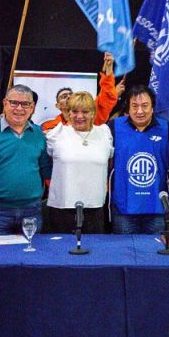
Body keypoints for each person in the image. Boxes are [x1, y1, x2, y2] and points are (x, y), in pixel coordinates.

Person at [0, 85, 52, 237]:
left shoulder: (39, 135)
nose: (19, 108)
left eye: (25, 104)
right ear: (5, 103)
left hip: (32, 212)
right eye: (14, 103)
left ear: (32, 107)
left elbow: (48, 171)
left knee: (32, 252)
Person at [107, 85, 169, 234]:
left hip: (157, 207)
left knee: (156, 248)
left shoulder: (166, 128)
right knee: (124, 248)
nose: (140, 111)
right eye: (134, 106)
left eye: (145, 105)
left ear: (153, 107)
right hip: (124, 209)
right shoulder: (114, 127)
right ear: (128, 108)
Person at [46, 91, 114, 234]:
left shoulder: (104, 133)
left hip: (95, 208)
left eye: (85, 111)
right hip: (62, 208)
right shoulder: (56, 134)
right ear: (68, 113)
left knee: (94, 247)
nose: (79, 116)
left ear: (93, 113)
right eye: (74, 111)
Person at [41, 52, 118, 132]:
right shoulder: (49, 126)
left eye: (71, 95)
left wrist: (108, 68)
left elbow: (107, 97)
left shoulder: (91, 116)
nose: (68, 97)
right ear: (58, 106)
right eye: (64, 96)